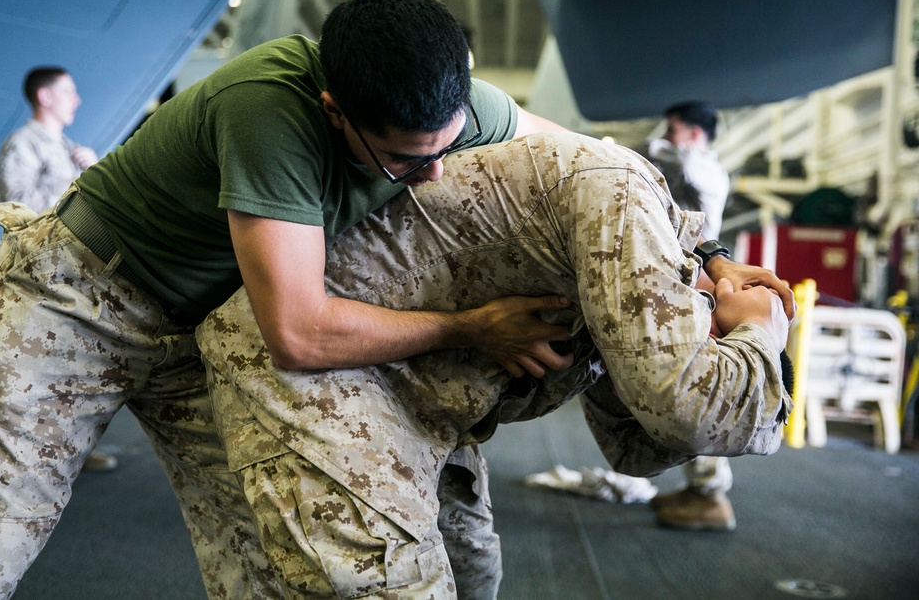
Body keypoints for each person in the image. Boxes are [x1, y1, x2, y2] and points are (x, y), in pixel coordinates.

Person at [0, 0, 574, 599]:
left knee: (276, 553)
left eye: (447, 145)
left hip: (210, 328)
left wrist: (675, 240)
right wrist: (471, 326)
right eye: (402, 160)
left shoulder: (443, 108)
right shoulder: (268, 106)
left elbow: (586, 158)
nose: (432, 173)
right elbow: (300, 332)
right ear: (333, 111)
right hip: (81, 297)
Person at [197, 131, 795, 598]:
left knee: (471, 574)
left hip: (418, 390)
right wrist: (760, 328)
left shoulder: (667, 260)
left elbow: (635, 449)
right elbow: (690, 412)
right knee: (385, 586)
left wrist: (717, 265)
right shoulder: (625, 213)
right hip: (317, 372)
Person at [0, 66, 116, 474]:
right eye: (68, 91)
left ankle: (66, 453)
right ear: (45, 97)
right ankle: (22, 460)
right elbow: (16, 207)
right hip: (40, 274)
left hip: (72, 273)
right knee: (34, 373)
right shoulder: (25, 143)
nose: (76, 99)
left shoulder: (66, 145)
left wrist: (91, 170)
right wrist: (73, 182)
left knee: (74, 371)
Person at [644, 101, 739, 532]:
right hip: (672, 290)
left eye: (675, 129)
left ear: (696, 135)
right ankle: (700, 487)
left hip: (690, 294)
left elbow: (673, 162)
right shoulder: (689, 165)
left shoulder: (703, 169)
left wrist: (653, 145)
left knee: (688, 389)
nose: (667, 135)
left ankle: (711, 494)